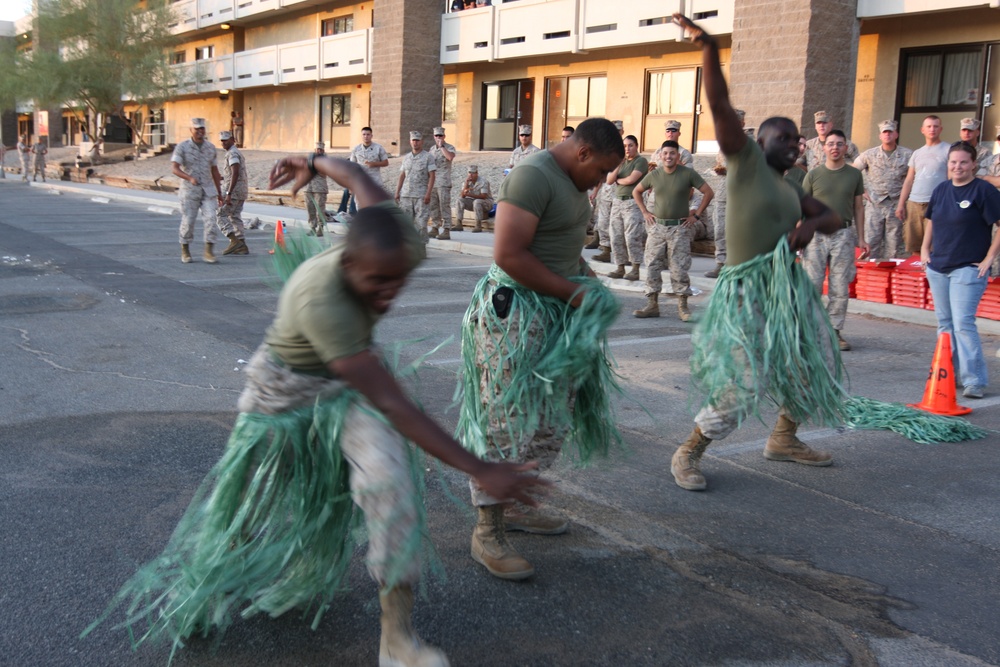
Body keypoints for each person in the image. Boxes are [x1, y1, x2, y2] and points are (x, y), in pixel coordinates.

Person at [90, 153, 547, 667]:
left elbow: (360, 180)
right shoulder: (320, 297)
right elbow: (392, 402)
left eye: (396, 282)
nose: (388, 295)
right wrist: (480, 466)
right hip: (281, 392)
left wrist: (313, 160)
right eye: (377, 284)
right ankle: (207, 582)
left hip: (345, 390)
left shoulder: (398, 244)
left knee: (390, 488)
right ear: (347, 263)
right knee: (242, 504)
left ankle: (396, 638)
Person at [669, 13, 845, 493]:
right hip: (745, 288)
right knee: (742, 380)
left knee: (818, 359)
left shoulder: (790, 188)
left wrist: (805, 226)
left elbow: (832, 217)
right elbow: (719, 102)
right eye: (783, 137)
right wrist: (707, 47)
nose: (793, 144)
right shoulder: (744, 162)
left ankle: (784, 438)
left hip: (785, 288)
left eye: (796, 138)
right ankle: (689, 450)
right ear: (759, 140)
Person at [456, 117, 625, 579]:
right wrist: (572, 293)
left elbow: (561, 247)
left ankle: (513, 506)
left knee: (552, 417)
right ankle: (487, 528)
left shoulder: (572, 181)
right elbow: (509, 254)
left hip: (555, 313)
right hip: (516, 313)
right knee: (507, 416)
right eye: (601, 171)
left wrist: (590, 282)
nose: (601, 181)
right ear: (583, 153)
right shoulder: (533, 175)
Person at [921, 141, 1000, 399]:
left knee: (963, 324)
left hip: (967, 268)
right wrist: (925, 251)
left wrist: (989, 258)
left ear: (974, 164)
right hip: (939, 267)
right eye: (953, 162)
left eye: (963, 162)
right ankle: (947, 374)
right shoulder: (942, 190)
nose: (958, 167)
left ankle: (974, 380)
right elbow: (931, 221)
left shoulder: (983, 191)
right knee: (945, 324)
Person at [801, 129, 868, 351]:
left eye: (840, 144)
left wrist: (862, 237)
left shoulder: (854, 175)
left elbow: (858, 207)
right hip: (816, 236)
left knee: (840, 286)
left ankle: (835, 331)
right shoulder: (813, 175)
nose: (835, 148)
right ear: (824, 147)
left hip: (843, 235)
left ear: (846, 148)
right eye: (831, 144)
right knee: (812, 285)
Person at [632, 140, 714, 321]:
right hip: (657, 228)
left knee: (679, 267)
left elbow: (708, 192)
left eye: (672, 153)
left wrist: (697, 215)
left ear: (678, 156)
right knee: (652, 265)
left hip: (679, 229)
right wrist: (645, 212)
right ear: (660, 156)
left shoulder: (688, 174)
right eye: (665, 153)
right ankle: (652, 304)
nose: (668, 156)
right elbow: (636, 191)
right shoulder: (654, 175)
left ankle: (683, 307)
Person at [853, 119, 911, 259]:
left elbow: (913, 177)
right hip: (875, 204)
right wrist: (862, 190)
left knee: (894, 246)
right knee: (870, 244)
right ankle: (869, 276)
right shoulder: (869, 154)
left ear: (896, 134)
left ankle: (889, 275)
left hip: (896, 204)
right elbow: (853, 173)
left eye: (890, 132)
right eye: (884, 132)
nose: (887, 135)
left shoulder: (908, 155)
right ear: (880, 136)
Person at [170, 118, 223, 264]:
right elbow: (174, 168)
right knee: (188, 221)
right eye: (197, 129)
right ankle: (185, 249)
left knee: (212, 218)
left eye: (202, 129)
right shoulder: (182, 147)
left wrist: (219, 192)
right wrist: (189, 178)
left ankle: (209, 251)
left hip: (208, 189)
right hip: (190, 190)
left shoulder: (210, 148)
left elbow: (215, 170)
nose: (200, 131)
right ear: (191, 130)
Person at [896, 115, 949, 256]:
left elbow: (951, 179)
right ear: (922, 130)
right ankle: (916, 276)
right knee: (915, 246)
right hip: (914, 203)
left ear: (941, 129)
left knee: (933, 246)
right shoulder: (917, 153)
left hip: (936, 203)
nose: (932, 129)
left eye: (935, 126)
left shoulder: (948, 150)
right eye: (929, 126)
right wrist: (901, 204)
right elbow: (909, 180)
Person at [705, 109, 746, 278]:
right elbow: (720, 163)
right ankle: (721, 263)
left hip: (741, 193)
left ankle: (738, 265)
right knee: (720, 229)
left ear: (742, 123)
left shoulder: (749, 143)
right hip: (723, 193)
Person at [606, 135, 649, 281]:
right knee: (616, 235)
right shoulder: (621, 162)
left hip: (632, 203)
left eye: (630, 145)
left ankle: (635, 268)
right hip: (617, 202)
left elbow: (632, 179)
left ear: (636, 146)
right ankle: (620, 267)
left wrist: (619, 180)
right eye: (624, 146)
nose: (627, 149)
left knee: (632, 236)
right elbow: (609, 180)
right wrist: (618, 165)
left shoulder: (641, 161)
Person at [587, 120, 624, 259]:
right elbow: (600, 173)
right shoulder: (605, 149)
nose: (617, 133)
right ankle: (605, 249)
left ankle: (621, 254)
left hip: (621, 192)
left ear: (623, 131)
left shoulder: (626, 148)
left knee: (617, 225)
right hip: (607, 191)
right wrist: (596, 190)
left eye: (619, 131)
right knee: (603, 221)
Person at [395, 130, 437, 244]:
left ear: (422, 142)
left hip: (421, 196)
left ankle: (421, 246)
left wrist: (428, 193)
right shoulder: (406, 157)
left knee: (421, 223)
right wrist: (397, 192)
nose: (415, 143)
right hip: (406, 195)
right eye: (413, 140)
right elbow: (402, 175)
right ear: (410, 142)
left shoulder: (428, 157)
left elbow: (432, 176)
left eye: (418, 141)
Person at [216, 130, 250, 255]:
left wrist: (229, 193)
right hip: (240, 190)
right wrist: (223, 178)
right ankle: (242, 245)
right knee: (235, 216)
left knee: (220, 215)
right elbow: (234, 173)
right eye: (222, 141)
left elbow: (235, 171)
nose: (224, 143)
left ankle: (234, 240)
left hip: (234, 191)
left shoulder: (233, 154)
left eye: (226, 140)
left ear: (233, 140)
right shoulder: (235, 153)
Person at [344, 126, 389, 218]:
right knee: (360, 207)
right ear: (361, 136)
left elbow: (386, 162)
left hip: (374, 182)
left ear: (371, 135)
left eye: (368, 134)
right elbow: (352, 167)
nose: (366, 136)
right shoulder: (356, 149)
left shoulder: (378, 148)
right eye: (364, 134)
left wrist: (374, 164)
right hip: (360, 182)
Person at [427, 127, 457, 240]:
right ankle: (435, 227)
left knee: (444, 205)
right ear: (434, 136)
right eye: (436, 136)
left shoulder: (449, 147)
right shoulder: (431, 149)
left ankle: (446, 229)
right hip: (433, 182)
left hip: (444, 181)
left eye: (440, 135)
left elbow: (450, 157)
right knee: (433, 206)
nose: (438, 138)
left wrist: (442, 147)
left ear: (444, 136)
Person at [454, 164, 493, 233]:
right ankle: (459, 223)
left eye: (473, 173)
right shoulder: (466, 181)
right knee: (459, 201)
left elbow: (483, 196)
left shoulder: (483, 181)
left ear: (477, 173)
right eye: (469, 173)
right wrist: (466, 184)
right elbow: (462, 196)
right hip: (474, 203)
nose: (471, 175)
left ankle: (478, 225)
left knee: (477, 202)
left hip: (486, 203)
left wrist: (470, 195)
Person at [304, 142, 330, 236]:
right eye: (317, 149)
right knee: (310, 208)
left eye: (320, 149)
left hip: (320, 188)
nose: (318, 151)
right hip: (308, 187)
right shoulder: (310, 159)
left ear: (323, 150)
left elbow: (324, 172)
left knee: (320, 209)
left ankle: (321, 228)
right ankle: (312, 227)